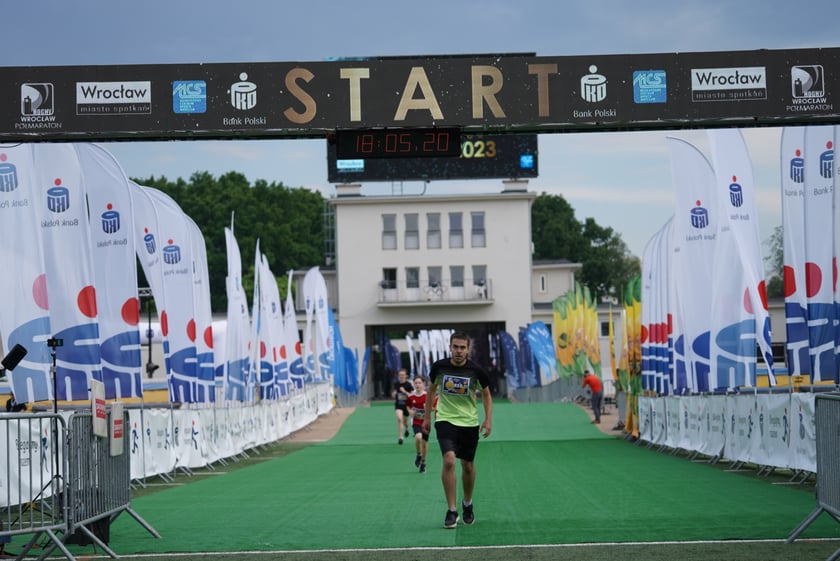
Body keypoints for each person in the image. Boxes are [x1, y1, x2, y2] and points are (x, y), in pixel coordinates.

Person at [423, 331, 492, 529]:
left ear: (468, 349)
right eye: (456, 347)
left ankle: (467, 504)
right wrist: (427, 416)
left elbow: (486, 395)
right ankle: (452, 510)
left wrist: (488, 420)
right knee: (449, 460)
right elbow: (431, 391)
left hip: (469, 423)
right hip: (445, 419)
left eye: (463, 347)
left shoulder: (476, 371)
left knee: (468, 466)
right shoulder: (439, 367)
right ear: (450, 347)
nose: (459, 351)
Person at [405, 375, 429, 473]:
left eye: (419, 383)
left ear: (423, 384)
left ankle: (423, 462)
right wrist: (410, 411)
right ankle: (418, 454)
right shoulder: (411, 396)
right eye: (416, 383)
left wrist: (426, 408)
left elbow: (433, 408)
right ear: (413, 384)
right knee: (418, 437)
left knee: (424, 443)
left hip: (426, 422)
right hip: (416, 421)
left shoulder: (427, 396)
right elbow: (408, 406)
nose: (417, 385)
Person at [392, 368, 413, 444]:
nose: (401, 376)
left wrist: (405, 391)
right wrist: (394, 394)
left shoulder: (408, 385)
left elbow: (412, 395)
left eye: (403, 375)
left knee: (405, 421)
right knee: (399, 419)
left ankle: (407, 428)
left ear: (406, 376)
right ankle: (401, 437)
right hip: (398, 405)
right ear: (398, 376)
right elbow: (394, 392)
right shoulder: (396, 384)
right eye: (400, 375)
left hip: (406, 405)